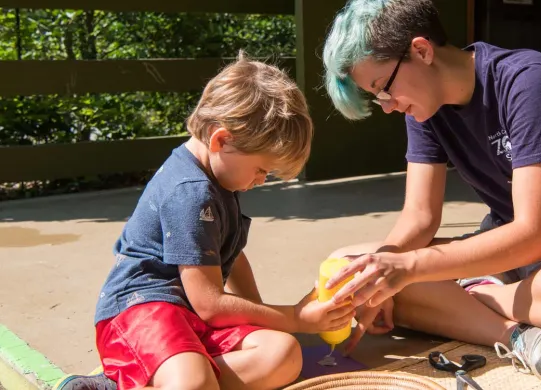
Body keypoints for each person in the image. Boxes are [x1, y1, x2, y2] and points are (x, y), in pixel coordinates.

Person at [320, 0, 541, 388]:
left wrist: (410, 273)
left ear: (421, 50)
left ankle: (466, 302)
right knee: (348, 266)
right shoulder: (423, 109)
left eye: (383, 88)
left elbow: (533, 235)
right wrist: (382, 270)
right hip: (501, 254)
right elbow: (418, 217)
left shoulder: (527, 82)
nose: (388, 106)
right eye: (378, 97)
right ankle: (516, 335)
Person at [54, 52, 355, 390]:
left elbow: (230, 254)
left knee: (282, 353)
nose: (261, 180)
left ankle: (172, 381)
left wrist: (262, 316)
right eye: (261, 169)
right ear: (222, 140)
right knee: (196, 382)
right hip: (143, 311)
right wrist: (294, 318)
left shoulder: (221, 173)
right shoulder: (191, 192)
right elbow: (211, 305)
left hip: (190, 316)